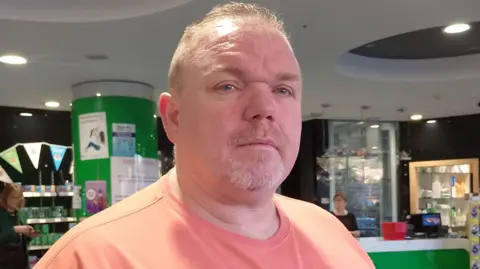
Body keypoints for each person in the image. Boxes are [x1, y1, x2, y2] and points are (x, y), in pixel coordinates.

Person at [34, 3, 374, 268]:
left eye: (283, 89)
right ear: (174, 118)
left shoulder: (331, 235)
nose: (263, 108)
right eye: (228, 85)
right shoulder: (92, 258)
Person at [0, 183, 38, 269]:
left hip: (20, 263)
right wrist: (15, 230)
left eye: (19, 197)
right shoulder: (1, 215)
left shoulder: (19, 214)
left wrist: (28, 235)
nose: (17, 200)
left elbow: (21, 241)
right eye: (13, 197)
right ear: (5, 198)